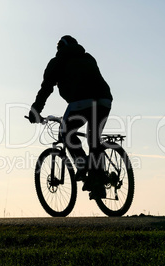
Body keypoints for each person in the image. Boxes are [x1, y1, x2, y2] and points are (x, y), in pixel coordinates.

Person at [28, 35, 113, 200]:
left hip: (81, 102)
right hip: (104, 101)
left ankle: (82, 165)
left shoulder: (58, 61)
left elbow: (46, 87)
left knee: (66, 132)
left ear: (59, 48)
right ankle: (98, 183)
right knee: (94, 138)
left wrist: (35, 110)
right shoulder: (88, 57)